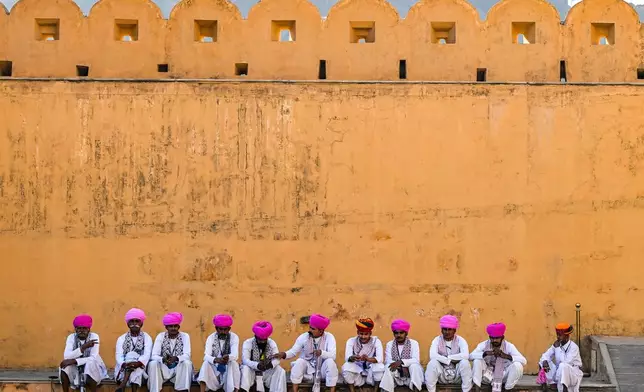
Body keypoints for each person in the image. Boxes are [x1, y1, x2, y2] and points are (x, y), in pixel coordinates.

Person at [273, 313, 338, 392]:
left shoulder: (329, 337)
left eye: (313, 329)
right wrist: (283, 354)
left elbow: (333, 355)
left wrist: (322, 353)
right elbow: (293, 352)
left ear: (321, 331)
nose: (310, 330)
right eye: (310, 327)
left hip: (322, 369)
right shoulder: (304, 337)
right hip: (308, 368)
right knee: (299, 362)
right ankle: (295, 390)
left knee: (330, 362)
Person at [470, 323, 526, 392]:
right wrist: (486, 353)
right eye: (492, 338)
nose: (494, 340)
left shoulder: (509, 346)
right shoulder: (484, 345)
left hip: (503, 375)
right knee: (477, 361)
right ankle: (477, 388)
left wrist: (506, 356)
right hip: (487, 375)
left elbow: (524, 360)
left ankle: (508, 389)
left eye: (497, 338)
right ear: (489, 337)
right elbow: (471, 356)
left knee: (518, 365)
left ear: (502, 337)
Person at [59, 314, 108, 392]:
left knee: (91, 364)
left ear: (89, 329)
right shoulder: (71, 337)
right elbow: (67, 356)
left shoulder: (94, 336)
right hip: (76, 368)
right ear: (75, 329)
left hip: (92, 368)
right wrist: (83, 348)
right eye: (79, 328)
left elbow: (93, 357)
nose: (81, 330)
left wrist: (75, 360)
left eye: (84, 328)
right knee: (65, 367)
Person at [425, 315, 472, 392]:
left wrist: (447, 357)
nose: (447, 332)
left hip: (457, 375)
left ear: (454, 330)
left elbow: (465, 355)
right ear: (441, 330)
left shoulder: (461, 340)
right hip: (442, 374)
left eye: (450, 329)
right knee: (432, 363)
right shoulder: (436, 340)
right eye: (445, 329)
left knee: (465, 363)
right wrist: (449, 360)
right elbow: (432, 355)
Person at [148, 312, 193, 392]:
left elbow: (187, 355)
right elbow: (154, 355)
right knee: (153, 363)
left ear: (178, 326)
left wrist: (176, 358)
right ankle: (155, 390)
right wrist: (163, 359)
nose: (173, 328)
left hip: (178, 368)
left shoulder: (185, 336)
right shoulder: (161, 336)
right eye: (170, 326)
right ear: (166, 327)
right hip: (164, 368)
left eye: (175, 326)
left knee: (187, 363)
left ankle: (183, 389)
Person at [198, 314, 241, 392]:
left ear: (229, 329)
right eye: (220, 329)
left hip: (228, 367)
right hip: (215, 367)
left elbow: (235, 355)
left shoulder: (234, 337)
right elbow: (206, 356)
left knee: (234, 363)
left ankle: (235, 390)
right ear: (216, 328)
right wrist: (216, 359)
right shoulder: (211, 337)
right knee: (205, 363)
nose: (223, 332)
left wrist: (227, 357)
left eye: (225, 329)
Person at [240, 321, 287, 392]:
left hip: (266, 371)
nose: (262, 342)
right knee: (245, 368)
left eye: (264, 340)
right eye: (260, 340)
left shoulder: (271, 343)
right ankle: (244, 390)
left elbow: (277, 358)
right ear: (255, 336)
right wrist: (257, 365)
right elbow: (245, 360)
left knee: (280, 370)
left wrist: (270, 365)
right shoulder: (248, 343)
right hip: (252, 371)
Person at [341, 318, 385, 392]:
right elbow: (347, 358)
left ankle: (376, 390)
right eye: (361, 334)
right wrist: (353, 357)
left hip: (371, 374)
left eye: (366, 334)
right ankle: (352, 390)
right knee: (346, 366)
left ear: (370, 333)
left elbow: (380, 359)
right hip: (357, 373)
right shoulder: (351, 341)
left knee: (379, 366)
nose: (363, 337)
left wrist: (368, 359)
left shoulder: (376, 341)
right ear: (358, 332)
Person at [115, 308, 153, 392]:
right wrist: (126, 364)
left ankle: (123, 385)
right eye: (131, 321)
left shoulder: (147, 337)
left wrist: (138, 363)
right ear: (127, 323)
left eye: (137, 321)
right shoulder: (121, 338)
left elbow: (147, 355)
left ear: (141, 323)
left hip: (142, 371)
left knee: (136, 363)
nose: (134, 324)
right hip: (123, 370)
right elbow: (119, 356)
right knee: (131, 357)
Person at [380, 319, 423, 392]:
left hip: (410, 375)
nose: (398, 335)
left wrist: (401, 362)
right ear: (393, 334)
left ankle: (416, 389)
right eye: (396, 333)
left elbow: (416, 360)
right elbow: (388, 360)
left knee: (415, 366)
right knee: (388, 367)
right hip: (396, 375)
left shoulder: (414, 343)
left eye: (401, 333)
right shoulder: (390, 344)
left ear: (406, 333)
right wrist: (400, 367)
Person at [538, 323, 583, 392]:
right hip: (559, 372)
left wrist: (558, 348)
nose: (558, 337)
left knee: (563, 366)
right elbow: (545, 355)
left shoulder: (574, 347)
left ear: (567, 336)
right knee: (543, 362)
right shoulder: (556, 345)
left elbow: (565, 362)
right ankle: (549, 384)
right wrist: (545, 361)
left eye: (560, 335)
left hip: (572, 374)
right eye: (557, 335)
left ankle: (563, 388)